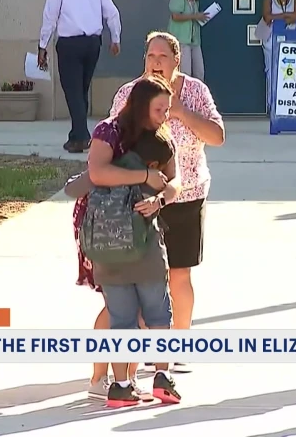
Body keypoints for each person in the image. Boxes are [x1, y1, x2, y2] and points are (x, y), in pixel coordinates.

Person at [109, 31, 225, 373]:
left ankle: (180, 344)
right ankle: (150, 344)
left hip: (187, 194)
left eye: (162, 57)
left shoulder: (196, 91)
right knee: (144, 275)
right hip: (139, 198)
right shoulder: (129, 95)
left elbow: (218, 136)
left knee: (179, 274)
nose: (155, 63)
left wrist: (183, 113)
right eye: (150, 56)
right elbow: (111, 140)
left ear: (177, 61)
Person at [65, 115, 177, 402]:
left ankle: (121, 385)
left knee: (121, 320)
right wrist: (157, 191)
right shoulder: (153, 179)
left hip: (107, 255)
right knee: (157, 315)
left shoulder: (109, 169)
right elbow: (175, 186)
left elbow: (72, 189)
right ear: (154, 162)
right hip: (146, 255)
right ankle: (162, 378)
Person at [87, 76, 182, 407]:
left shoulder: (161, 137)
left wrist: (161, 199)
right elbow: (97, 172)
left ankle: (158, 378)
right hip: (112, 235)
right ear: (141, 106)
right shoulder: (109, 131)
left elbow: (174, 181)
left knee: (154, 309)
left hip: (139, 233)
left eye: (167, 109)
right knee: (127, 313)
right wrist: (143, 177)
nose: (164, 116)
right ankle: (123, 384)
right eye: (159, 109)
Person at [38, 0, 122, 154]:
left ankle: (82, 136)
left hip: (70, 44)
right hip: (92, 44)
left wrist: (42, 45)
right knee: (81, 90)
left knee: (73, 91)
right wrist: (115, 37)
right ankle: (76, 136)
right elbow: (112, 12)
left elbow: (50, 17)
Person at [260, 0, 296, 111]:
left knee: (291, 72)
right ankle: (272, 105)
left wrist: (276, 16)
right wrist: (286, 15)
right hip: (271, 41)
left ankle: (288, 105)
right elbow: (267, 17)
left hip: (291, 41)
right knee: (272, 72)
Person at [168, 0, 209, 81]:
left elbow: (193, 17)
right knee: (185, 73)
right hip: (181, 39)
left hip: (194, 40)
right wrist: (195, 16)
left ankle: (198, 94)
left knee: (199, 72)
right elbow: (175, 16)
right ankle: (184, 95)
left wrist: (200, 17)